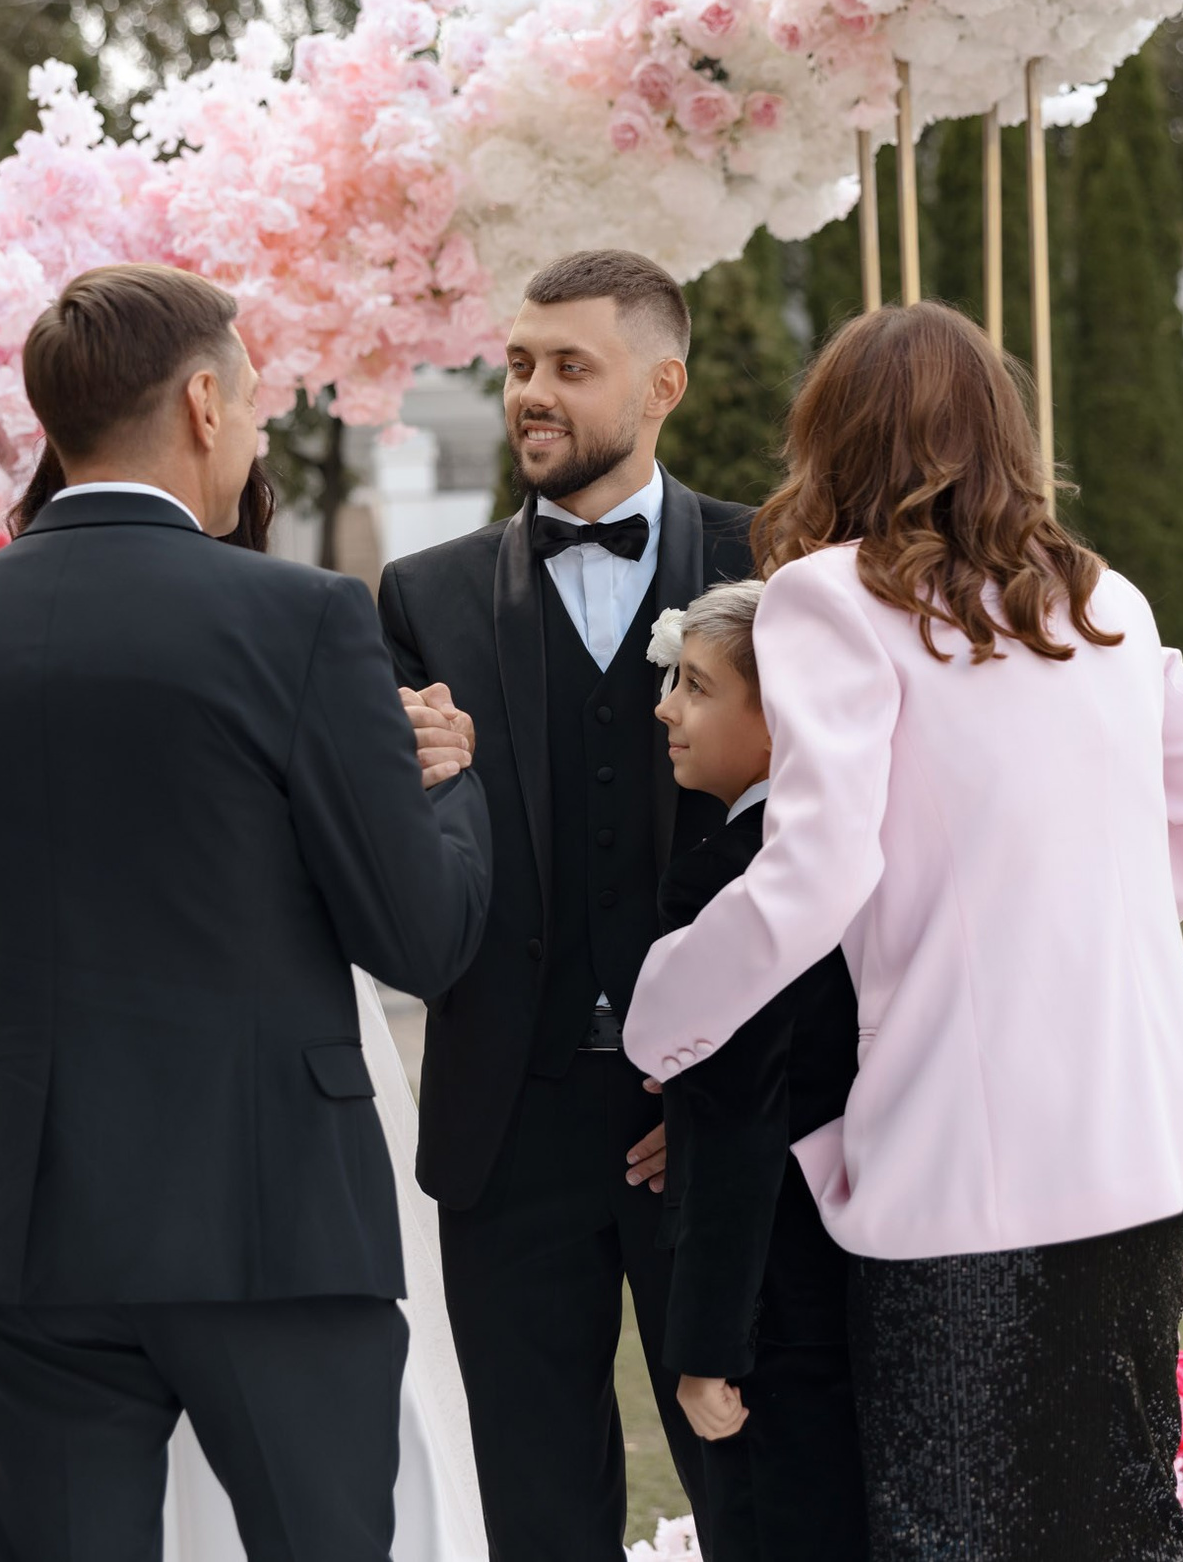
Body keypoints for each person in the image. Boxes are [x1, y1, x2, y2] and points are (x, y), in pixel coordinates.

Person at [0, 262, 494, 1562]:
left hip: (28, 1225)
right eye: (251, 401)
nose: (253, 429)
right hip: (276, 1218)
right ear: (205, 400)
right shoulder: (300, 619)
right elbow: (417, 935)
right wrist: (453, 787)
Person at [625, 301, 1183, 1561]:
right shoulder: (1101, 598)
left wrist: (664, 1016)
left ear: (832, 440)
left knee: (954, 1526)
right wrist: (1069, 920)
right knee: (1112, 1519)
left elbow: (815, 868)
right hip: (1139, 1146)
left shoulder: (828, 598)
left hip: (965, 1165)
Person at [376, 249, 752, 1558]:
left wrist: (720, 1083)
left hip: (718, 1127)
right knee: (535, 1509)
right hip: (508, 1123)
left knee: (756, 1485)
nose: (532, 391)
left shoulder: (773, 563)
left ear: (664, 384)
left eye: (569, 367)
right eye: (521, 364)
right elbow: (410, 858)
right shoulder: (421, 598)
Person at [644, 581, 866, 1562]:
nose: (665, 708)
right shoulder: (861, 857)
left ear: (778, 727)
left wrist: (704, 1351)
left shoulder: (732, 877)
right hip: (854, 1276)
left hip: (773, 1312)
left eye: (694, 686)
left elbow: (740, 1121)